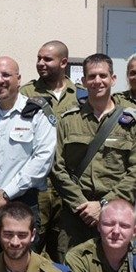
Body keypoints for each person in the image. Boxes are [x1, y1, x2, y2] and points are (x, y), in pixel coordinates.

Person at [0, 56, 56, 259]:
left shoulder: (37, 113)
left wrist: (6, 194)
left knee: (22, 264)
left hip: (23, 201)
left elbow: (42, 159)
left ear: (18, 79)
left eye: (6, 75)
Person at [52, 53, 136, 258]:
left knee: (115, 269)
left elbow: (135, 171)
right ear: (83, 81)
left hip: (116, 216)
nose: (97, 81)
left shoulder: (131, 123)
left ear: (113, 79)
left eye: (103, 76)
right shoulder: (68, 120)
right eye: (91, 76)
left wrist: (104, 205)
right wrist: (81, 205)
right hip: (76, 215)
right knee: (71, 268)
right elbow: (57, 167)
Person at [20, 40, 79, 259]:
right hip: (38, 185)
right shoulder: (25, 93)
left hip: (68, 184)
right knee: (32, 243)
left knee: (64, 247)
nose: (41, 63)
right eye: (39, 58)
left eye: (47, 59)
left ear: (63, 62)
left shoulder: (80, 96)